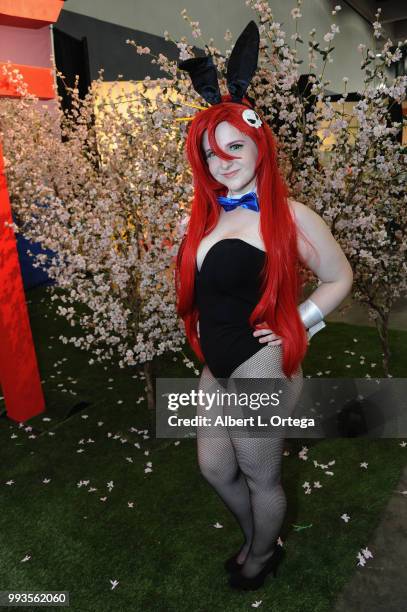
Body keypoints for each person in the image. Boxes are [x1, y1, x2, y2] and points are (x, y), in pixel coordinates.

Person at [175, 21, 353, 591]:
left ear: (259, 144)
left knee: (259, 475)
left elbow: (338, 277)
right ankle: (259, 537)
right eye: (211, 153)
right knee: (213, 467)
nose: (223, 161)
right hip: (216, 363)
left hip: (260, 366)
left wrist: (296, 322)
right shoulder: (203, 217)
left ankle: (259, 553)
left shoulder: (291, 216)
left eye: (234, 146)